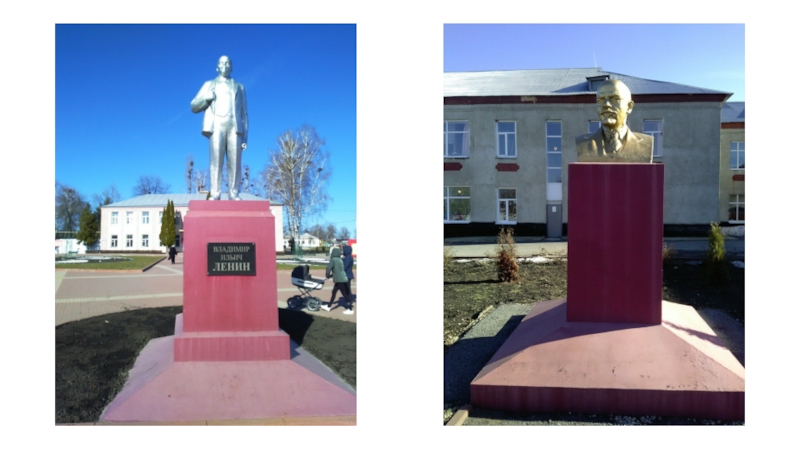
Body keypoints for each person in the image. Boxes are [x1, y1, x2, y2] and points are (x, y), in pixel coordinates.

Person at [190, 56, 249, 200]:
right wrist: (206, 98)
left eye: (228, 63)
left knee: (235, 163)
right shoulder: (209, 84)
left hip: (235, 128)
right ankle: (215, 193)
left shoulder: (240, 87)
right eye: (222, 63)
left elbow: (244, 114)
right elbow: (194, 106)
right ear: (217, 67)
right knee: (216, 161)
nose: (225, 65)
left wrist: (245, 138)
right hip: (216, 125)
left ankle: (234, 193)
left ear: (231, 67)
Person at [576, 79, 653, 163]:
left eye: (615, 99)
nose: (606, 105)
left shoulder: (646, 144)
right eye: (600, 100)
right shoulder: (582, 144)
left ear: (629, 107)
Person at [321, 247, 353, 315]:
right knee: (334, 292)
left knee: (345, 293)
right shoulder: (342, 259)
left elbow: (339, 268)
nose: (342, 252)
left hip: (342, 278)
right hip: (341, 277)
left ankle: (350, 308)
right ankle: (329, 306)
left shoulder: (346, 258)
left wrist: (329, 275)